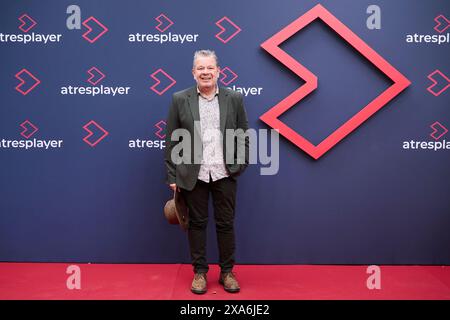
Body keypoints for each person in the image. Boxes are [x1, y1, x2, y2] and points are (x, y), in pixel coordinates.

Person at [164, 49, 249, 294]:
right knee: (197, 225)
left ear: (218, 71)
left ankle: (227, 272)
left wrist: (239, 163)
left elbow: (243, 134)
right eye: (200, 68)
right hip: (193, 174)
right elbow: (172, 141)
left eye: (210, 68)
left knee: (225, 224)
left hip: (225, 173)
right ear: (193, 73)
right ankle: (200, 273)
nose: (205, 72)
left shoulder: (234, 98)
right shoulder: (180, 99)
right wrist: (173, 177)